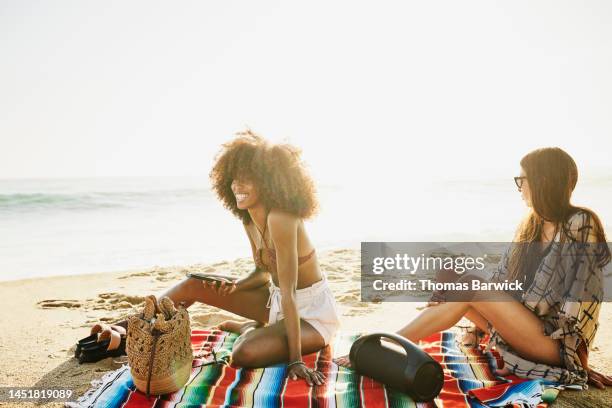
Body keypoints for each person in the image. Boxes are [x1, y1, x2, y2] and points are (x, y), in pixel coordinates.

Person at [335, 147, 612, 389]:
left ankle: (389, 343)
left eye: (522, 180)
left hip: (555, 344)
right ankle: (415, 336)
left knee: (468, 285)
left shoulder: (579, 222)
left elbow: (583, 298)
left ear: (543, 180)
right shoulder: (531, 225)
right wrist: (475, 317)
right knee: (452, 276)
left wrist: (578, 362)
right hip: (523, 330)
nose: (519, 188)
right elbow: (503, 281)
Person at [112, 131, 340, 386]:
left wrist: (296, 360)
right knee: (193, 285)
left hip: (311, 315)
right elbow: (262, 273)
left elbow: (289, 292)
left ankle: (248, 329)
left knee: (243, 352)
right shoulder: (249, 219)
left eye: (247, 179)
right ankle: (124, 329)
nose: (237, 186)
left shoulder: (282, 218)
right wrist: (236, 286)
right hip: (276, 302)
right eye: (234, 178)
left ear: (268, 181)